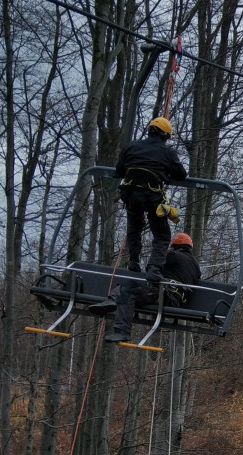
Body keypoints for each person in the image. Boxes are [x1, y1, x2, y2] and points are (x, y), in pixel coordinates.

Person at [91, 232, 201, 343]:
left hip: (165, 296)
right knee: (129, 286)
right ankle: (112, 300)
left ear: (174, 246)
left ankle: (122, 330)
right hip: (173, 298)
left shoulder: (172, 256)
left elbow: (152, 268)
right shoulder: (196, 267)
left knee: (128, 293)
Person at [115, 117, 188, 279]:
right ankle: (154, 268)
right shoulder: (167, 153)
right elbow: (181, 174)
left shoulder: (131, 147)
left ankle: (133, 262)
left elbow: (119, 171)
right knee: (162, 235)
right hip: (153, 198)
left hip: (131, 195)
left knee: (134, 228)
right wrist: (165, 173)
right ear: (165, 136)